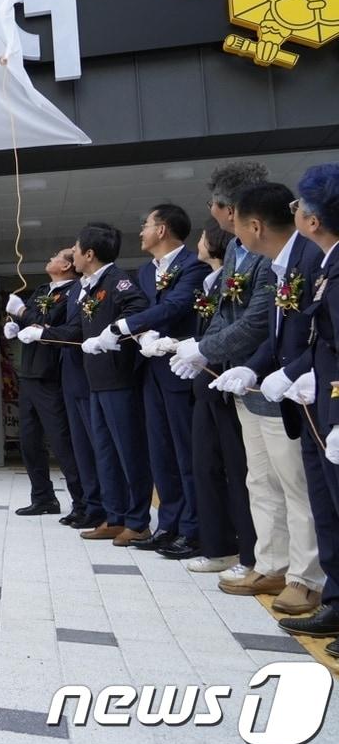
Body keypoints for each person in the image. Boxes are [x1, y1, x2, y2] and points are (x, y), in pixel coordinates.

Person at [210, 182, 323, 613]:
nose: (234, 235)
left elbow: (317, 333)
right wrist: (253, 368)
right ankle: (272, 562)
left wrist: (286, 372)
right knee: (261, 480)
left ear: (254, 226)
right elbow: (276, 337)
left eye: (236, 225)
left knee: (296, 485)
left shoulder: (309, 258)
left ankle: (306, 576)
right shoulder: (280, 262)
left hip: (298, 393)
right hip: (266, 389)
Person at [161, 162, 270, 578]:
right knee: (210, 463)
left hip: (253, 376)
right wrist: (201, 351)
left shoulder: (261, 257)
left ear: (231, 209)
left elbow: (258, 320)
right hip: (217, 373)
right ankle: (222, 546)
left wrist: (203, 348)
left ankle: (258, 557)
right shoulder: (241, 256)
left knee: (253, 476)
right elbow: (225, 315)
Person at [27, 223, 151, 545]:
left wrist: (115, 330)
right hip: (95, 380)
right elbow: (75, 331)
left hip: (117, 378)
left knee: (127, 453)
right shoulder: (90, 288)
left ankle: (138, 521)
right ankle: (114, 515)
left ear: (90, 254)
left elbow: (138, 309)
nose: (74, 254)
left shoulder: (117, 281)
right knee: (105, 453)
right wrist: (43, 333)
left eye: (77, 250)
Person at [104, 204, 210, 554]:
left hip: (180, 370)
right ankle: (168, 523)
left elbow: (176, 306)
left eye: (145, 225)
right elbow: (136, 308)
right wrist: (139, 334)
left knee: (184, 452)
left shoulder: (192, 266)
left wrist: (133, 326)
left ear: (162, 229)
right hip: (149, 371)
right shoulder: (145, 272)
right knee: (160, 453)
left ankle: (192, 527)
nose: (141, 232)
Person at [277, 163, 339, 652]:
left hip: (335, 412)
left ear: (313, 221)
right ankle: (336, 600)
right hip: (319, 408)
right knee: (327, 509)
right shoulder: (325, 264)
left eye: (298, 207)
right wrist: (300, 370)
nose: (295, 214)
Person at [2, 251, 84, 518]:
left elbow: (50, 323)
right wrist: (14, 323)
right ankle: (42, 497)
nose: (50, 258)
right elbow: (33, 319)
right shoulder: (42, 289)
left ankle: (82, 502)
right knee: (29, 440)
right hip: (29, 372)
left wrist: (23, 311)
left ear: (67, 265)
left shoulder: (74, 292)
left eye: (57, 256)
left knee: (61, 441)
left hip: (52, 374)